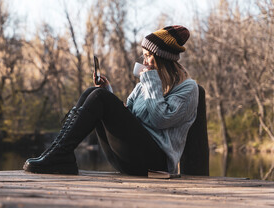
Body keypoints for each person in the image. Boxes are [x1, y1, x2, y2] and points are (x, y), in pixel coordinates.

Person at [23, 25, 199, 176]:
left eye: (147, 55)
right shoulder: (143, 85)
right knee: (94, 92)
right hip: (128, 158)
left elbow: (160, 119)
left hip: (156, 164)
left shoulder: (188, 89)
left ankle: (59, 155)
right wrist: (108, 92)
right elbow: (129, 117)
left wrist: (151, 82)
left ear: (161, 57)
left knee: (101, 97)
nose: (144, 61)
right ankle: (58, 153)